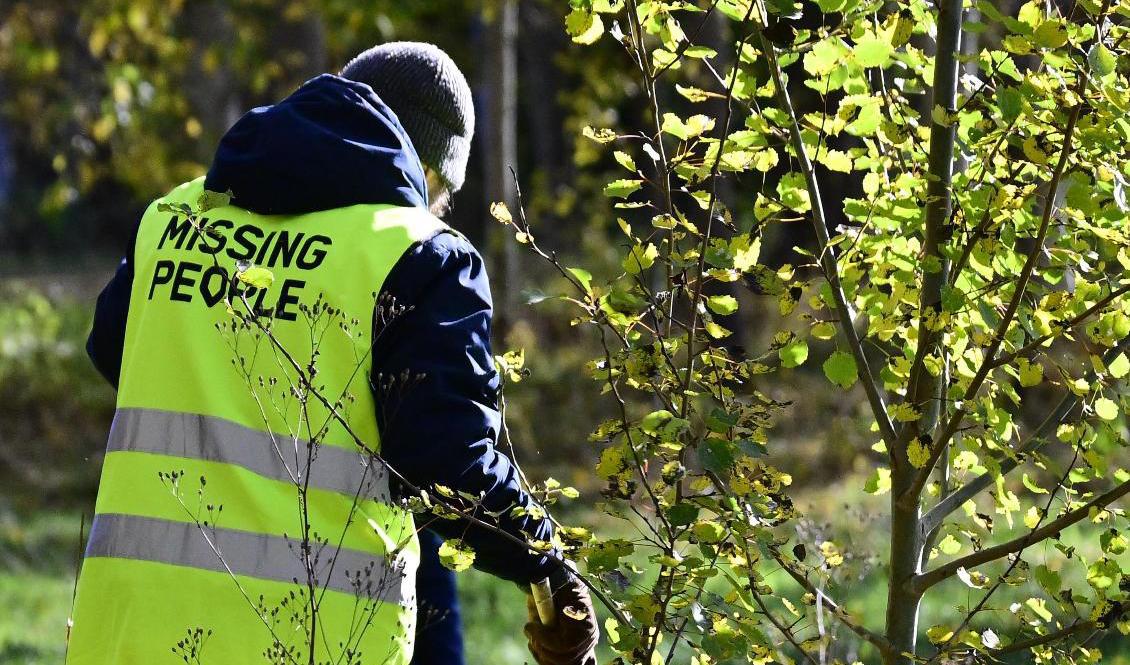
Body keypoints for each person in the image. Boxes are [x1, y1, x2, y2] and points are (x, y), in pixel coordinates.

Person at [72, 41, 597, 665]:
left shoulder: (178, 215)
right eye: (444, 193)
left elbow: (114, 351)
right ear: (428, 169)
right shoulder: (420, 255)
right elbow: (450, 463)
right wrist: (547, 561)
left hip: (128, 629)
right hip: (309, 636)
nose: (438, 209)